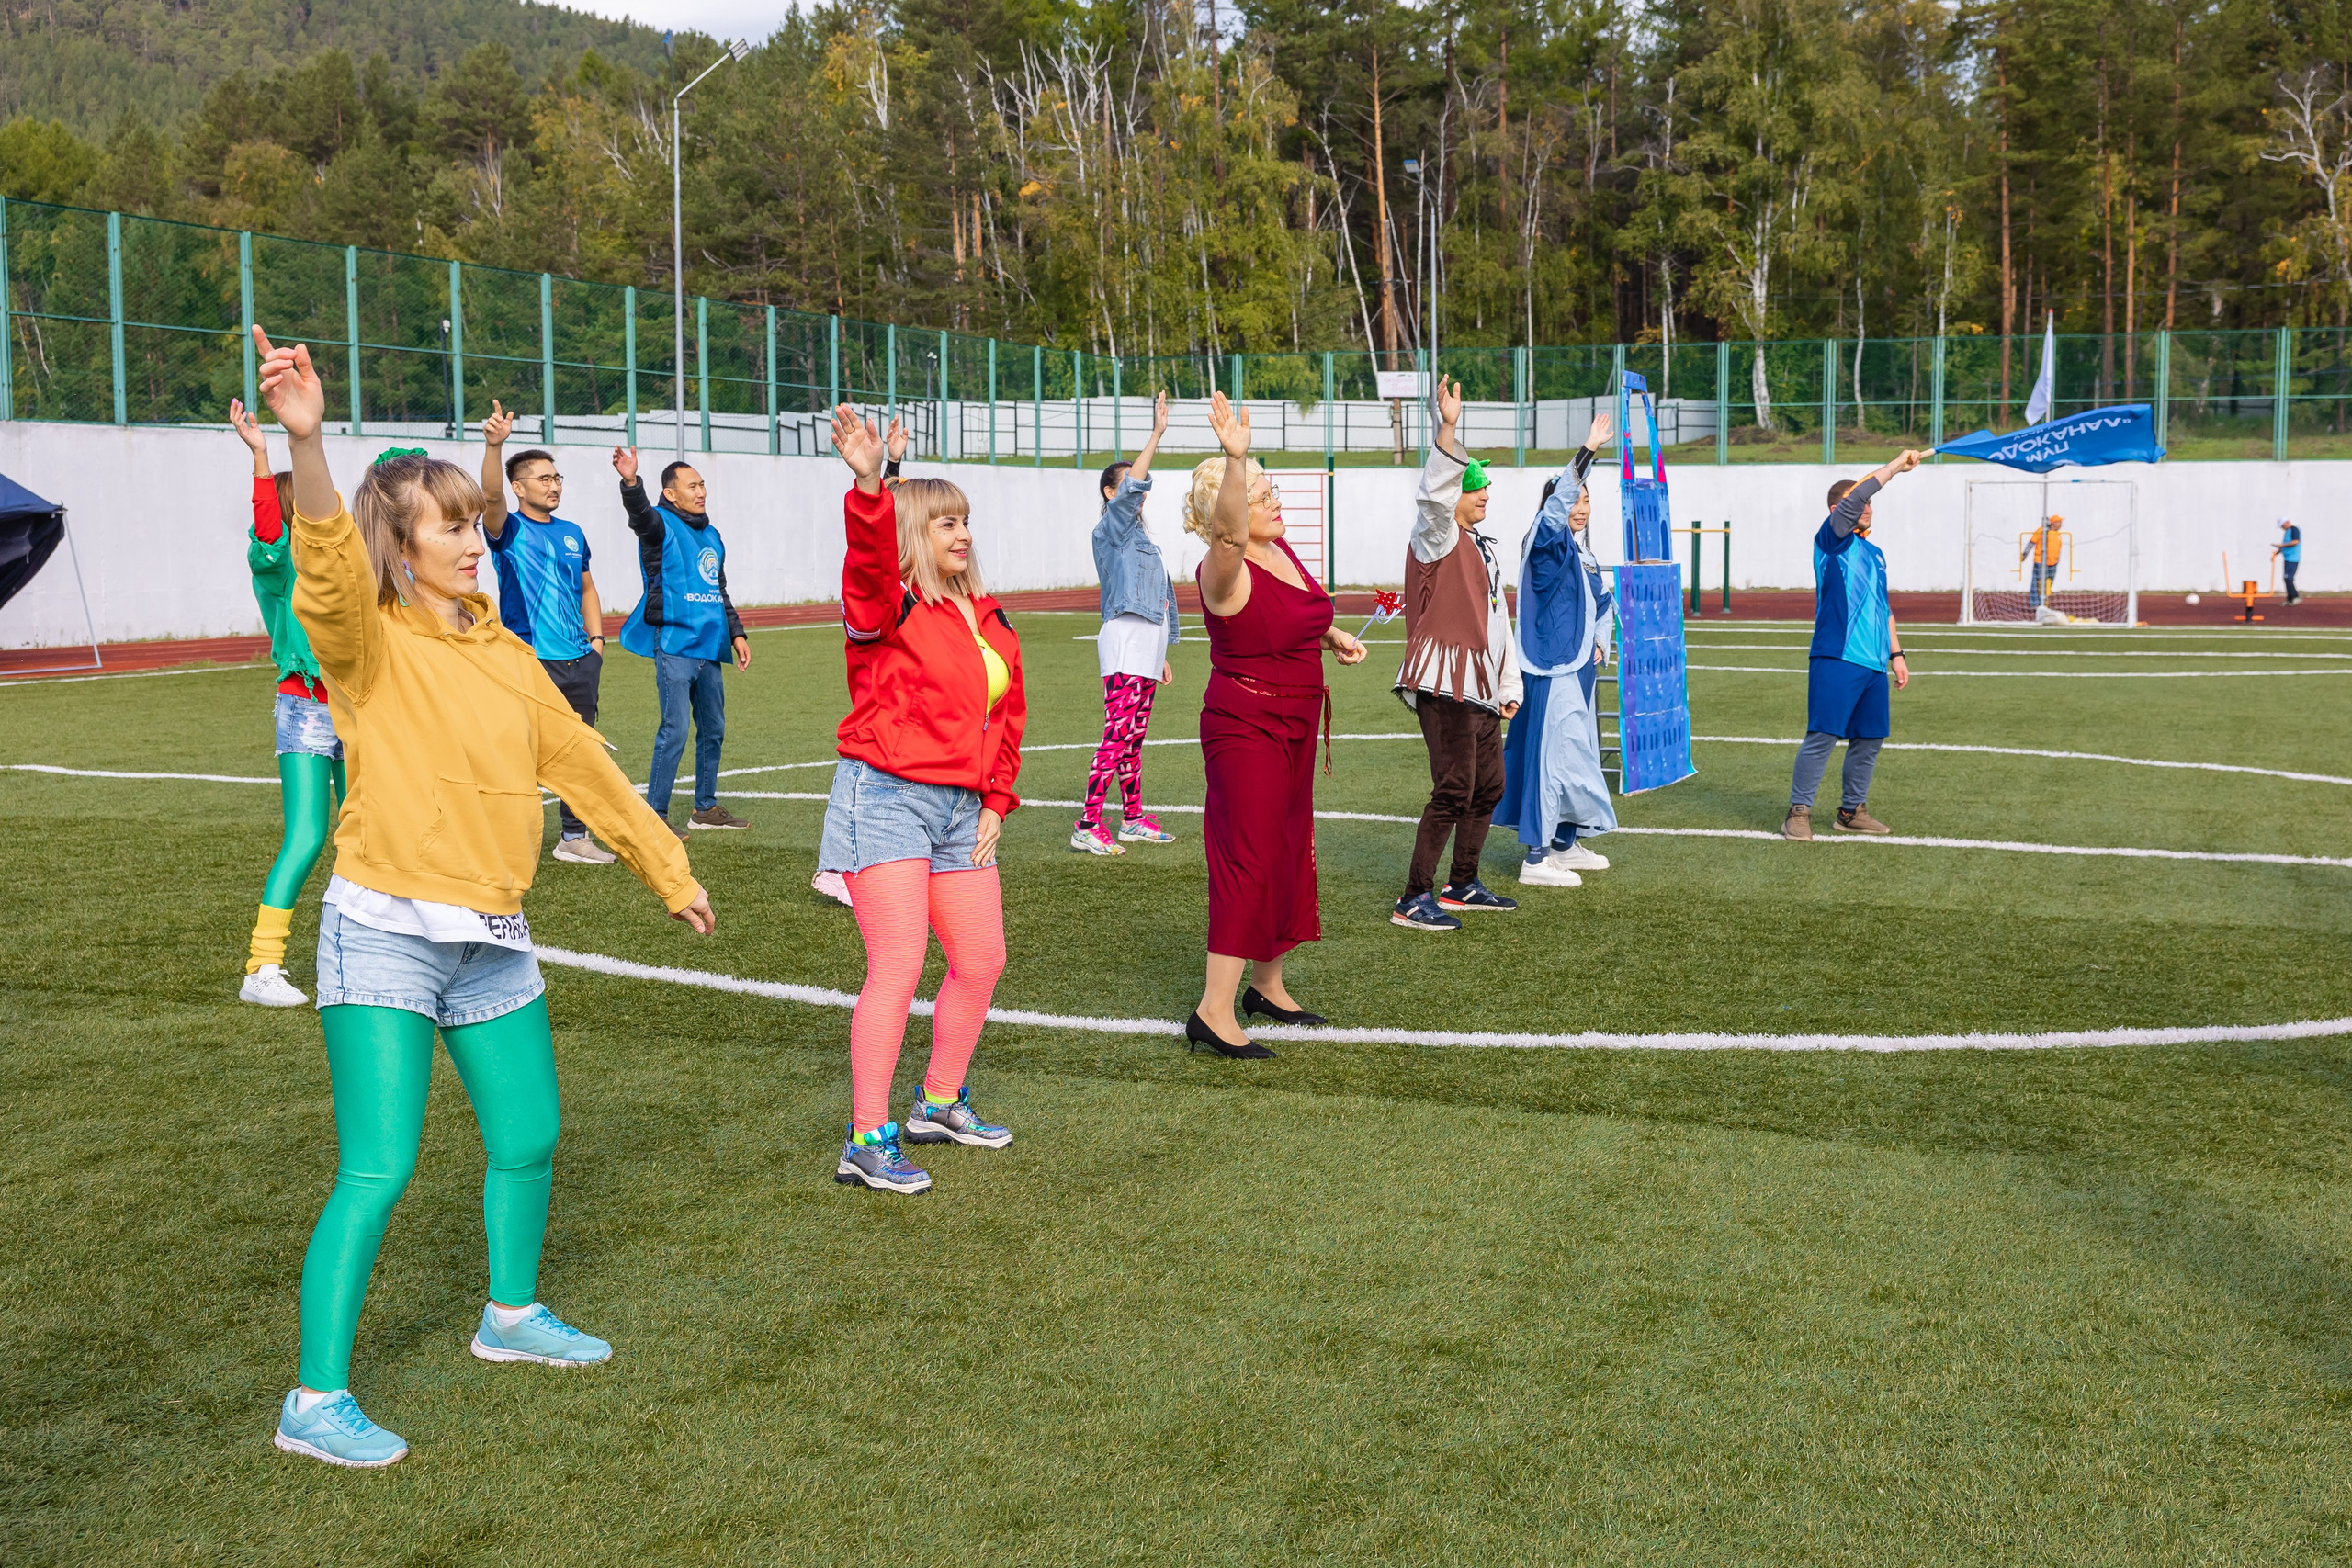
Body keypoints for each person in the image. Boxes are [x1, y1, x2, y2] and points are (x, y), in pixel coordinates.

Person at [250, 326, 715, 1472]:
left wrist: (668, 869)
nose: (472, 538)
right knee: (381, 1166)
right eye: (451, 523)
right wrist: (307, 446)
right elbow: (321, 564)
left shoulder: (505, 652)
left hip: (492, 934)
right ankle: (314, 1399)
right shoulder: (365, 642)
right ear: (400, 546)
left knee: (531, 1135)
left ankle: (509, 1316)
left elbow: (587, 765)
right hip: (385, 931)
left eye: (472, 520)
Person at [820, 404, 1024, 1195]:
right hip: (887, 796)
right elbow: (868, 569)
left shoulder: (987, 616)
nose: (960, 535)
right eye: (942, 524)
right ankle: (865, 1139)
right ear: (914, 535)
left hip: (960, 808)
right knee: (899, 965)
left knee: (982, 959)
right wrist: (873, 485)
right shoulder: (888, 608)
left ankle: (938, 1102)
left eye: (963, 521)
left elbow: (1007, 715)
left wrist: (997, 801)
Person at [1187, 391, 1368, 1058]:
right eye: (1259, 493)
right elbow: (1233, 533)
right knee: (1249, 857)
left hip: (1293, 720)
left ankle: (1267, 984)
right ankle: (1214, 1008)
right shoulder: (1222, 567)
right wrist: (1236, 462)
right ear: (1225, 514)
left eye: (1266, 487)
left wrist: (1332, 635)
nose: (1272, 501)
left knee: (1290, 848)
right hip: (1246, 725)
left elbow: (1291, 616)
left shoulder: (1282, 549)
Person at [1390, 375, 1523, 932]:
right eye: (1476, 487)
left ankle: (1462, 882)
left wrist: (1509, 686)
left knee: (1489, 786)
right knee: (1454, 787)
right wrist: (1447, 426)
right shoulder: (1437, 536)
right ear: (1456, 496)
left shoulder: (1483, 548)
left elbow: (1499, 626)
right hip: (1445, 683)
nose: (1486, 493)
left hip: (1482, 686)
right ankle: (1414, 897)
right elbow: (1432, 497)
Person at [231, 398, 345, 1007]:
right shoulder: (276, 566)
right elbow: (269, 533)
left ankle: (363, 952)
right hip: (305, 705)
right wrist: (261, 457)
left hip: (357, 706)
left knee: (368, 834)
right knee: (306, 835)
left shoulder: (339, 562)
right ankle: (262, 967)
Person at [480, 401, 611, 864]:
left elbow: (588, 588)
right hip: (531, 660)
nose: (554, 485)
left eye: (557, 478)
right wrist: (495, 446)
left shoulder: (572, 531)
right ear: (520, 487)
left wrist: (597, 643)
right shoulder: (507, 529)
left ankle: (573, 837)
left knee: (580, 752)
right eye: (543, 478)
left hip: (581, 660)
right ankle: (503, 839)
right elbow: (490, 499)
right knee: (518, 754)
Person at [1498, 410, 1619, 888]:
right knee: (1549, 758)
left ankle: (1565, 843)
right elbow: (1553, 512)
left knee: (1576, 755)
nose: (1581, 507)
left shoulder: (1581, 551)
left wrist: (1601, 645)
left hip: (1578, 669)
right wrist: (1585, 453)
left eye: (1587, 499)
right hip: (1550, 669)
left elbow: (1602, 605)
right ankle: (1535, 857)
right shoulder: (1544, 541)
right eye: (1574, 498)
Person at [1782, 449, 1922, 841]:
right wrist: (1896, 466)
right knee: (1823, 735)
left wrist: (1896, 654)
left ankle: (1850, 811)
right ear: (1837, 509)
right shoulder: (1832, 540)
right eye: (1860, 503)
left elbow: (1884, 608)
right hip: (1837, 655)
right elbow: (1858, 496)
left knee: (1870, 738)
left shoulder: (1875, 553)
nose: (1868, 509)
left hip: (1875, 664)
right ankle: (1798, 811)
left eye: (1870, 505)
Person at [613, 447, 752, 838]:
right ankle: (654, 816)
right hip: (674, 644)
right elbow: (640, 515)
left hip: (710, 648)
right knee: (674, 730)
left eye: (703, 484)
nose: (701, 491)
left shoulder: (712, 535)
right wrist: (630, 483)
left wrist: (737, 633)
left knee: (714, 729)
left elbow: (719, 590)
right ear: (671, 494)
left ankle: (704, 808)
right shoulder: (660, 526)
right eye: (692, 485)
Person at [1075, 389, 1180, 856]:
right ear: (1111, 493)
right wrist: (1156, 434)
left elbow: (1158, 601)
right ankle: (1088, 822)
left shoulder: (1142, 540)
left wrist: (1162, 654)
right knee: (1117, 735)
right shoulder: (1111, 532)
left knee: (1133, 738)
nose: (1137, 490)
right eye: (1128, 485)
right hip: (1123, 643)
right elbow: (1135, 488)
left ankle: (1132, 818)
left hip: (1146, 648)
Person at [2020, 514, 2064, 611]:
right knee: (2037, 582)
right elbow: (2032, 542)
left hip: (2053, 562)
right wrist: (2025, 554)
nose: (2061, 524)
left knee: (2048, 583)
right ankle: (2035, 603)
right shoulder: (2042, 531)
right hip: (2041, 561)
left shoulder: (2058, 535)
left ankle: (2043, 601)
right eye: (2059, 522)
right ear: (2053, 523)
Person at [2275, 519, 2302, 604]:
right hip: (2287, 558)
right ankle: (2290, 598)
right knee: (2286, 578)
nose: (2282, 528)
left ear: (2286, 523)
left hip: (2293, 559)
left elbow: (2296, 541)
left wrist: (2282, 545)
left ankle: (2295, 596)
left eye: (2282, 526)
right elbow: (2286, 545)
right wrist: (2277, 552)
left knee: (2288, 578)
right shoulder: (2287, 532)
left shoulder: (2294, 529)